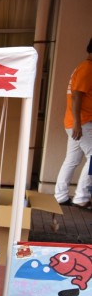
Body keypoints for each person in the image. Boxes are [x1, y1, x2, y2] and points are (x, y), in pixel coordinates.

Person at [54, 37, 92, 209]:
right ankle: (81, 197)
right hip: (82, 122)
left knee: (72, 159)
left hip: (75, 121)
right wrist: (77, 122)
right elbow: (77, 95)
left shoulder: (83, 67)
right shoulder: (88, 69)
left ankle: (60, 195)